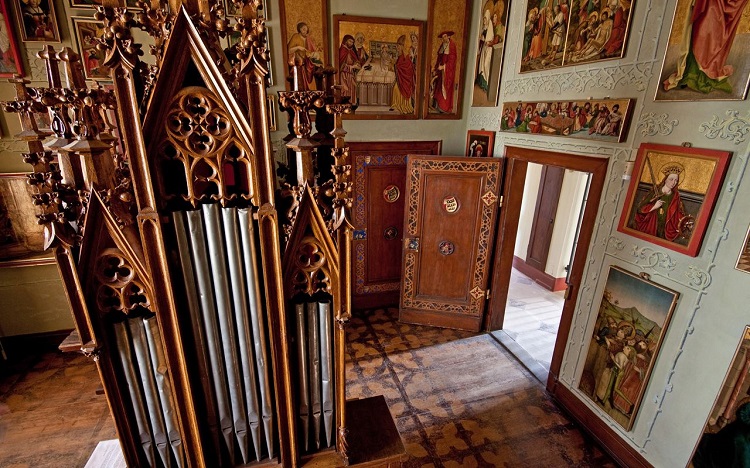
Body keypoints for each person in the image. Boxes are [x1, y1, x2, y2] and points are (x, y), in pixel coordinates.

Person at [663, 0, 750, 95]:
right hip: (707, 4)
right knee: (701, 33)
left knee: (713, 36)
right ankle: (691, 74)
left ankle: (704, 75)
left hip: (715, 6)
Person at [633, 163, 692, 242]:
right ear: (665, 179)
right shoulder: (655, 191)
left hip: (666, 229)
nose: (673, 182)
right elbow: (640, 208)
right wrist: (654, 206)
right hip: (652, 225)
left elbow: (678, 213)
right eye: (671, 179)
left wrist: (684, 222)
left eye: (676, 180)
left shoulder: (675, 196)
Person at [287, 22, 323, 90]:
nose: (305, 31)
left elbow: (312, 50)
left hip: (307, 62)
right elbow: (289, 51)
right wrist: (298, 47)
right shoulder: (295, 36)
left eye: (306, 29)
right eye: (303, 29)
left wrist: (314, 54)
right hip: (298, 62)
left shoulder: (308, 38)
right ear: (299, 29)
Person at [431, 30, 457, 113]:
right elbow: (439, 59)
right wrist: (436, 69)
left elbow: (452, 62)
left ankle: (444, 108)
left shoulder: (452, 46)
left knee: (444, 89)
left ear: (448, 37)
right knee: (438, 88)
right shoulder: (442, 46)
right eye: (442, 37)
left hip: (447, 72)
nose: (443, 38)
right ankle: (438, 106)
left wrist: (443, 67)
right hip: (441, 71)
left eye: (445, 36)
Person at [390, 35, 415, 114]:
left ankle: (403, 106)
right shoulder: (400, 55)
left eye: (398, 46)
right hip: (401, 78)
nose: (397, 48)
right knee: (395, 89)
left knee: (396, 89)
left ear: (402, 46)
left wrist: (396, 66)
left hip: (405, 80)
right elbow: (398, 64)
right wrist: (394, 64)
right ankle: (396, 105)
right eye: (397, 46)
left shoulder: (405, 56)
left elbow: (407, 67)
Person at [475, 9, 494, 93]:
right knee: (481, 65)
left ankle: (486, 85)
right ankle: (482, 84)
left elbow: (490, 38)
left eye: (485, 19)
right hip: (484, 49)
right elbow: (482, 39)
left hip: (488, 49)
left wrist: (485, 40)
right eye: (483, 19)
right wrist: (481, 39)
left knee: (486, 65)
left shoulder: (490, 28)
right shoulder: (485, 28)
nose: (484, 20)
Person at [338, 34, 360, 100]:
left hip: (350, 74)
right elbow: (341, 65)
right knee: (346, 90)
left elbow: (356, 60)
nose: (351, 43)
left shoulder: (351, 51)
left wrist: (357, 64)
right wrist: (353, 67)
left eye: (352, 42)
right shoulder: (342, 50)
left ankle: (352, 106)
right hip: (344, 75)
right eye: (350, 41)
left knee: (353, 88)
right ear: (345, 41)